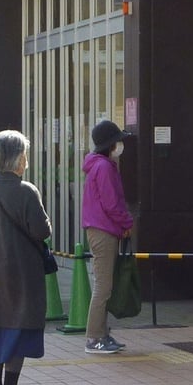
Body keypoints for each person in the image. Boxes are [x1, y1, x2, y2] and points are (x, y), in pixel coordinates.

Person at [0, 130, 51, 385]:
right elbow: (41, 230)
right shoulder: (26, 191)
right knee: (18, 329)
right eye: (25, 154)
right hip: (20, 272)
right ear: (19, 158)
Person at [81, 120, 134, 355]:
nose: (120, 145)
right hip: (104, 231)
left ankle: (101, 334)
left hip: (101, 229)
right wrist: (127, 222)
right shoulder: (103, 168)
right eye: (118, 141)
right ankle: (94, 338)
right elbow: (111, 203)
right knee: (103, 287)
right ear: (111, 144)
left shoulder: (99, 165)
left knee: (104, 285)